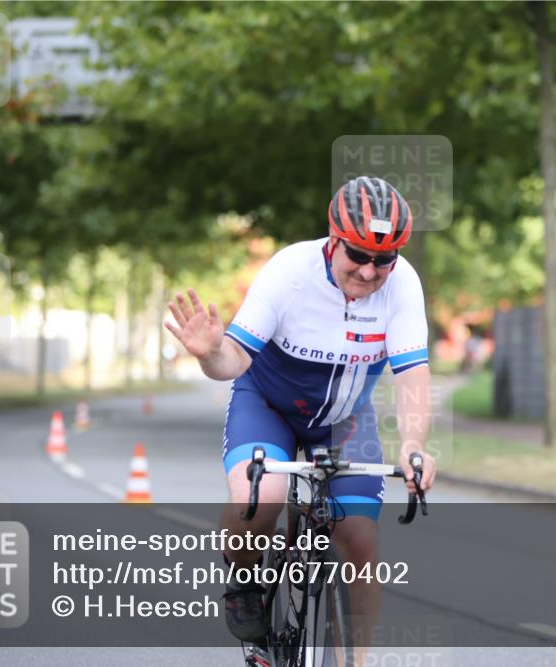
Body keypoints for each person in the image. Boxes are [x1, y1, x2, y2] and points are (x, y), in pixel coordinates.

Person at [165, 176, 437, 647]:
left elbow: (412, 376)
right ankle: (244, 582)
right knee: (263, 495)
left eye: (383, 259)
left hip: (343, 420)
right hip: (268, 405)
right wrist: (209, 353)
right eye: (358, 255)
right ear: (333, 241)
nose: (370, 272)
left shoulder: (403, 285)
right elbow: (233, 361)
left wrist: (414, 446)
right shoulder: (291, 270)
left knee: (360, 541)